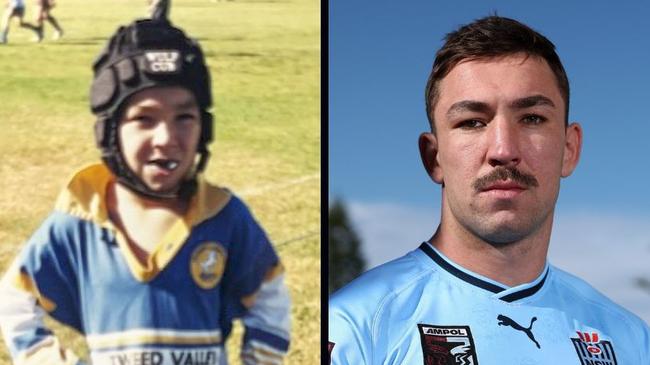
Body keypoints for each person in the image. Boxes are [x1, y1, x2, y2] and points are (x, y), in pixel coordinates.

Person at [328, 15, 650, 364]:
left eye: (532, 119)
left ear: (569, 149)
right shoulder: (353, 327)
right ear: (433, 157)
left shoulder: (629, 339)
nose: (503, 150)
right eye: (472, 122)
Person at [0, 14, 290, 365]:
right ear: (110, 132)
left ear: (205, 126)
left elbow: (269, 296)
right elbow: (16, 299)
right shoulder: (81, 220)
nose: (167, 138)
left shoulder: (224, 216)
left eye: (184, 117)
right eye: (144, 119)